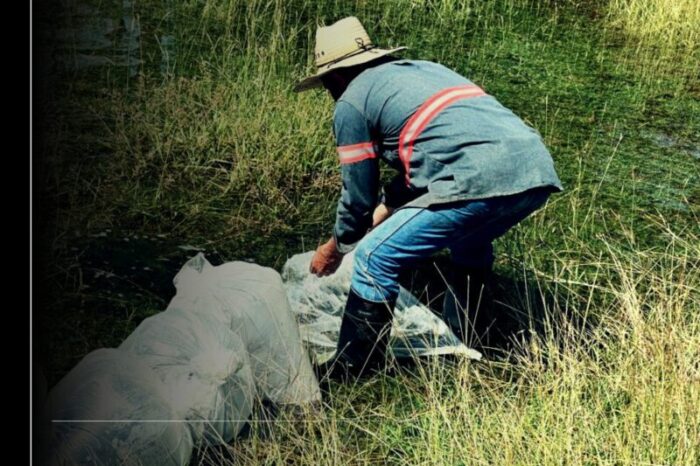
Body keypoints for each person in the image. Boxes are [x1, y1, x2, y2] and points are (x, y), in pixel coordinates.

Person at [295, 17, 563, 380]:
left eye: (327, 83)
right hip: (536, 172)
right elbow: (427, 165)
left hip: (476, 178)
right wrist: (386, 210)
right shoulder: (424, 72)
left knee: (374, 257)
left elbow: (357, 196)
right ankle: (467, 337)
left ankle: (354, 371)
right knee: (470, 241)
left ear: (335, 76)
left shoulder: (352, 102)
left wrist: (337, 247)